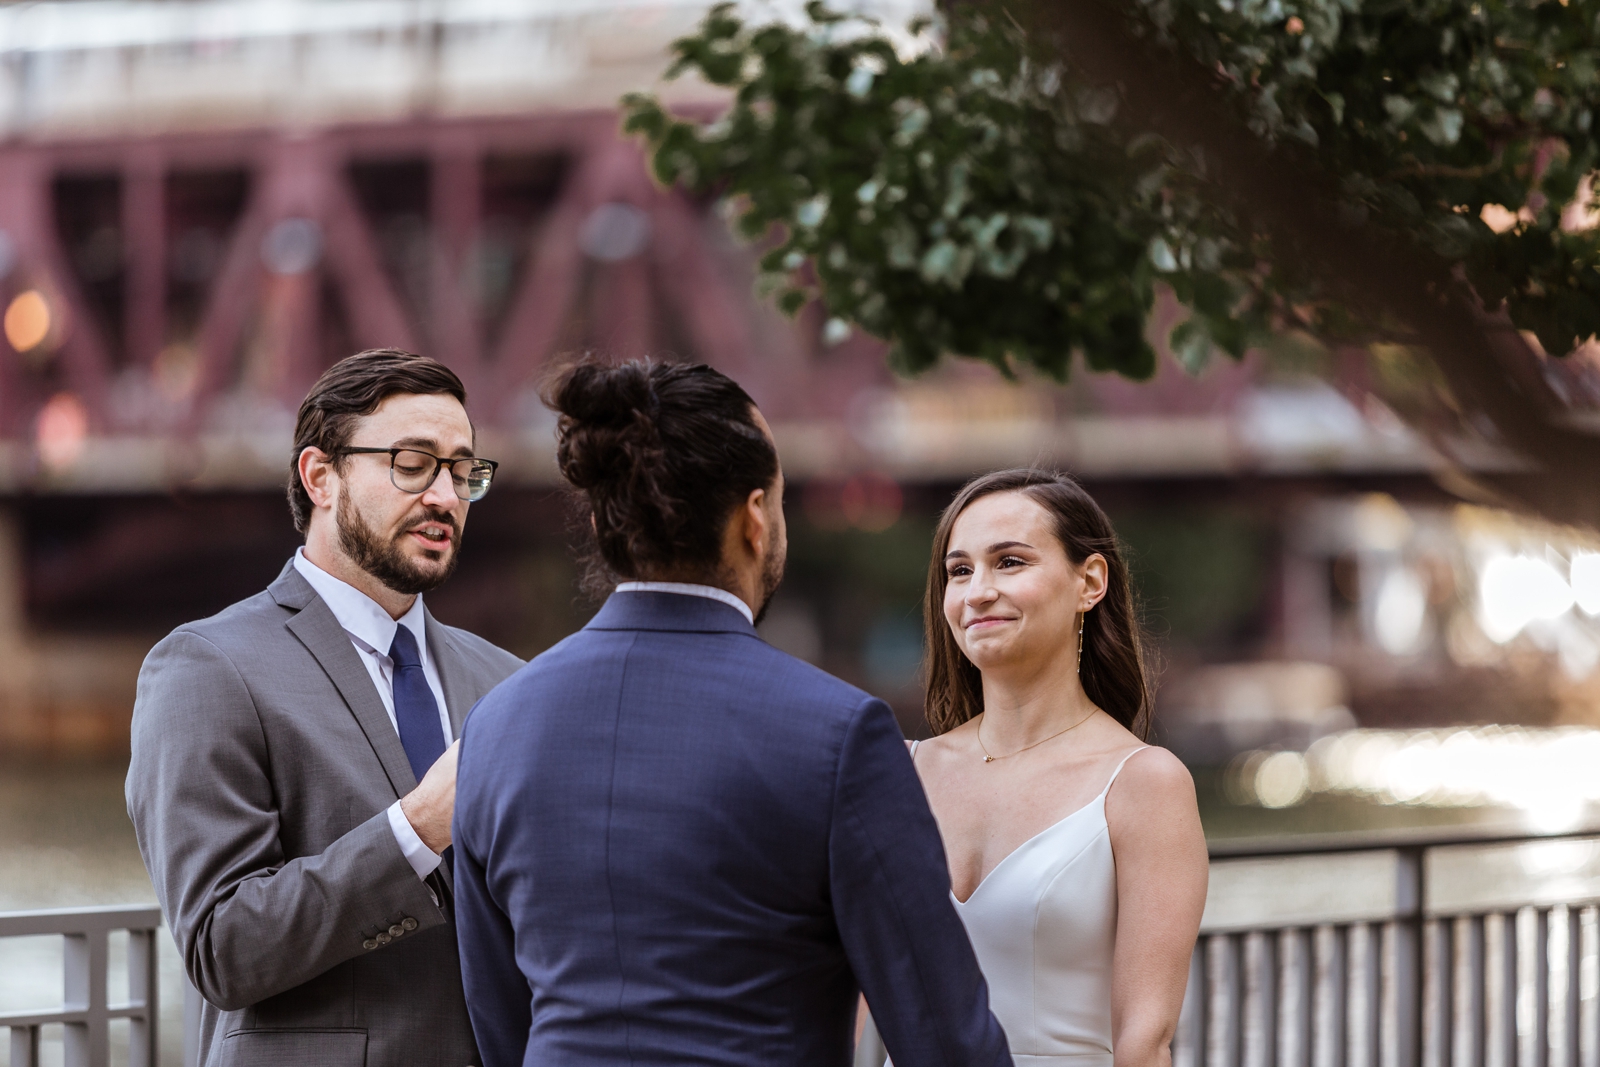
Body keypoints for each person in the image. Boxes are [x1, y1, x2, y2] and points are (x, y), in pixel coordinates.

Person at [452, 359, 1011, 1067]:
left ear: (602, 519)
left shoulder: (495, 724)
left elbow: (500, 1025)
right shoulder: (838, 732)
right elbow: (941, 1039)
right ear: (754, 519)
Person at [127, 349, 523, 1067]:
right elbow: (223, 947)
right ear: (320, 476)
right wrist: (416, 828)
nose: (445, 495)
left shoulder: (508, 681)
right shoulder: (206, 669)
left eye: (464, 470)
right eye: (413, 462)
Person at [906, 468, 1208, 1067]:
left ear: (1089, 581)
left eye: (1010, 562)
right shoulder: (902, 770)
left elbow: (1143, 1045)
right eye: (960, 570)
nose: (978, 591)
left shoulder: (1144, 783)